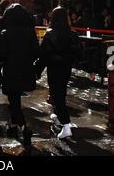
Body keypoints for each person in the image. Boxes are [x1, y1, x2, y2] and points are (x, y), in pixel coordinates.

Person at [35, 7, 81, 139]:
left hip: (54, 68)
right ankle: (59, 118)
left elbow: (43, 55)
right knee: (61, 93)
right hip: (66, 68)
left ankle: (66, 125)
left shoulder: (50, 34)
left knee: (57, 95)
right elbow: (78, 53)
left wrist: (37, 70)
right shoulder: (73, 34)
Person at [0, 4, 39, 147]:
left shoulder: (5, 33)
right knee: (14, 100)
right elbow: (36, 52)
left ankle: (23, 126)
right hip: (26, 70)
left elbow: (2, 54)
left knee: (13, 99)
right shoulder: (30, 32)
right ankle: (13, 124)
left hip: (10, 70)